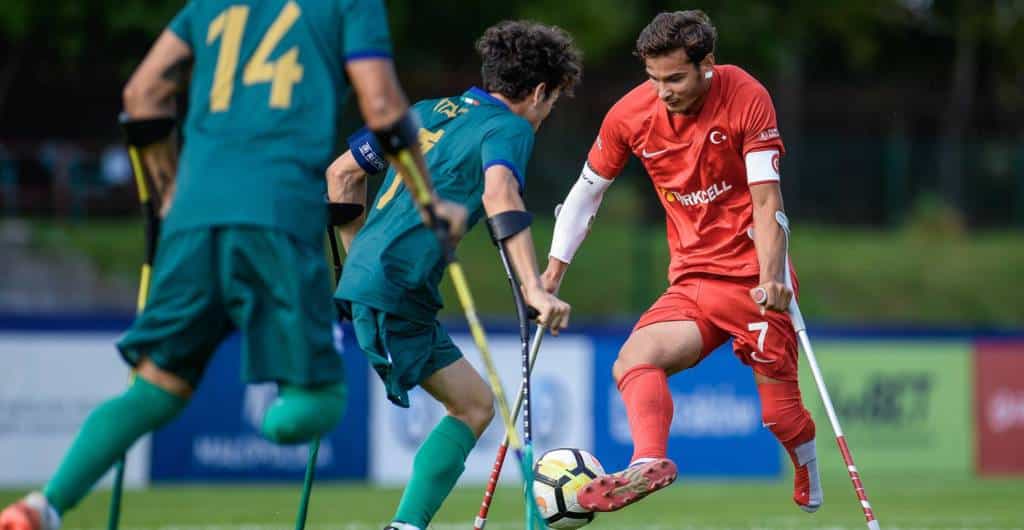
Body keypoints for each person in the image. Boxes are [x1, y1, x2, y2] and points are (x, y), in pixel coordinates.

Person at [0, 1, 462, 529]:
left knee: (154, 387)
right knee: (319, 403)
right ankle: (278, 416)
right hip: (276, 214)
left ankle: (44, 505)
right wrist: (429, 202)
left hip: (192, 219)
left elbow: (141, 93)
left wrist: (167, 191)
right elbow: (381, 103)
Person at [541, 10, 822, 514]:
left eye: (674, 79)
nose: (663, 91)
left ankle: (807, 468)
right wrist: (552, 275)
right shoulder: (630, 115)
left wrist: (772, 278)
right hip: (692, 279)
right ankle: (648, 461)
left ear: (706, 64)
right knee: (633, 360)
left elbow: (766, 200)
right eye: (653, 78)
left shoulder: (746, 95)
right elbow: (585, 195)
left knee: (780, 417)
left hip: (754, 280)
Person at [326, 20, 582, 530]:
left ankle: (405, 526)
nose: (545, 115)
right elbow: (500, 193)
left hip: (378, 282)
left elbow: (342, 174)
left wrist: (356, 264)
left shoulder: (425, 112)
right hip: (398, 286)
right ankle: (405, 526)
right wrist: (534, 289)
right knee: (473, 407)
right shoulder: (510, 127)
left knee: (475, 404)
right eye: (551, 103)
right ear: (538, 92)